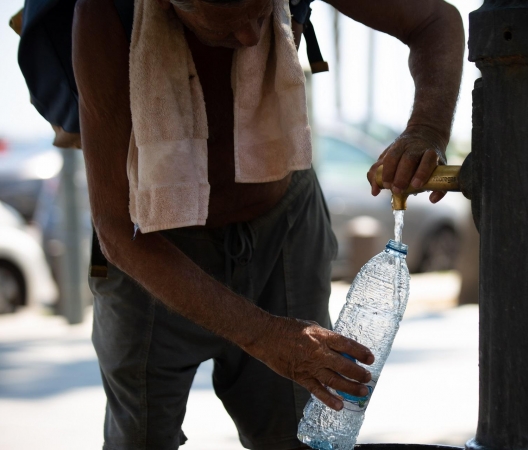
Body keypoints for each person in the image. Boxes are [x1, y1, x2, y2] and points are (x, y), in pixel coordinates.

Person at [71, 0, 464, 448]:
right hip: (155, 245)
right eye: (229, 24)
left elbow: (437, 21)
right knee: (138, 438)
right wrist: (262, 334)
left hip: (283, 225)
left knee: (297, 435)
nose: (252, 38)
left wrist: (427, 128)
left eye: (262, 15)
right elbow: (117, 232)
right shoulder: (105, 13)